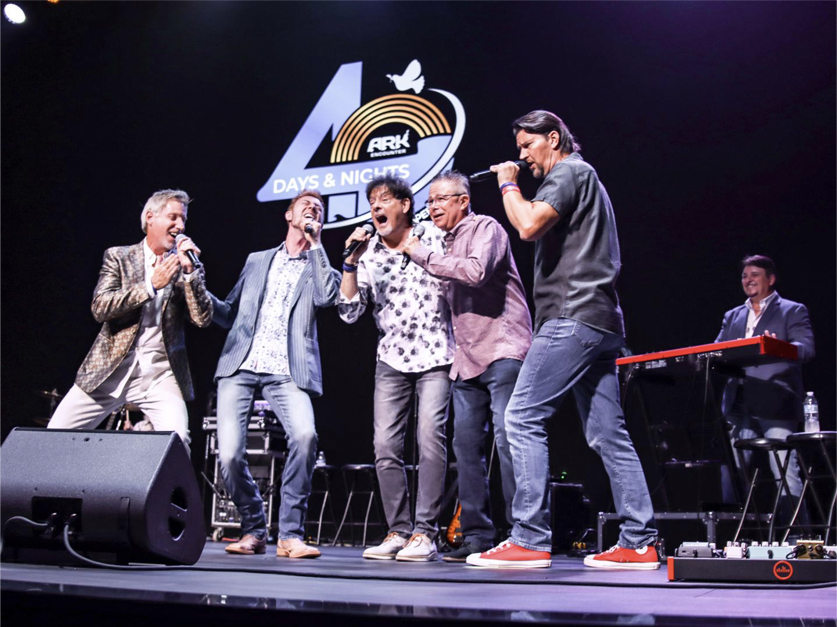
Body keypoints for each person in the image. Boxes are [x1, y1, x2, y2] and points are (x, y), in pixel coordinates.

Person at [467, 110, 659, 570]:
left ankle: (530, 538)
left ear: (552, 139)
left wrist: (508, 184)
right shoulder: (583, 177)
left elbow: (528, 225)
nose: (522, 157)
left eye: (527, 146)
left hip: (573, 315)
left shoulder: (568, 172)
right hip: (601, 321)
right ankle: (639, 540)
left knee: (522, 414)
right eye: (518, 151)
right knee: (607, 432)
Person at [402, 170, 532, 561]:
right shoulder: (441, 244)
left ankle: (523, 534)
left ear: (463, 200)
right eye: (429, 200)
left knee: (510, 442)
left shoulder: (486, 228)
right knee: (466, 448)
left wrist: (420, 253)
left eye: (441, 198)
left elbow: (475, 272)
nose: (433, 206)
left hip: (503, 348)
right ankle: (478, 535)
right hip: (467, 359)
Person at [211, 190, 340, 559]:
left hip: (288, 370)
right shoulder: (257, 261)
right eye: (306, 206)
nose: (313, 209)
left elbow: (327, 298)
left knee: (305, 436)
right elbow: (228, 312)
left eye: (319, 209)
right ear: (288, 215)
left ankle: (290, 534)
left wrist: (316, 245)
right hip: (241, 363)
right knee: (231, 456)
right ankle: (254, 528)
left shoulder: (322, 267)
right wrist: (196, 287)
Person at [339, 174, 454, 562]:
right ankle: (398, 530)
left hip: (437, 352)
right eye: (372, 201)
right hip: (391, 357)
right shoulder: (368, 252)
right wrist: (350, 263)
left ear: (405, 205)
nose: (375, 207)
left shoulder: (433, 235)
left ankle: (425, 532)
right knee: (385, 446)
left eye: (384, 199)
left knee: (428, 440)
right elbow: (351, 312)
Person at [48, 189, 211, 448]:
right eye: (173, 217)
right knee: (51, 437)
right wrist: (150, 286)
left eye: (183, 220)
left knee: (178, 443)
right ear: (150, 217)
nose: (180, 226)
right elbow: (100, 308)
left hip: (159, 375)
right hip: (109, 371)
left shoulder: (185, 265)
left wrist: (191, 273)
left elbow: (202, 319)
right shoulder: (119, 257)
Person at [715, 255, 814, 522]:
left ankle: (797, 540)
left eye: (755, 275)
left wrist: (778, 346)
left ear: (770, 279)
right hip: (737, 402)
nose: (748, 280)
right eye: (745, 276)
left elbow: (806, 349)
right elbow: (717, 351)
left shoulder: (792, 310)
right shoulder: (732, 315)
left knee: (784, 470)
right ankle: (733, 538)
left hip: (775, 400)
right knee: (733, 472)